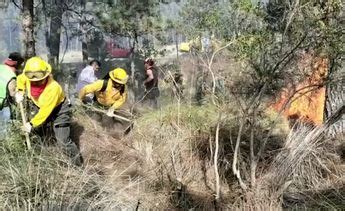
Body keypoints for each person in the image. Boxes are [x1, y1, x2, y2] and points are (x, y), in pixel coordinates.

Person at [15, 57, 82, 165]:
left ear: (46, 75)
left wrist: (31, 124)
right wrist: (20, 91)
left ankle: (77, 166)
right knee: (38, 133)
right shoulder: (28, 75)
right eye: (33, 81)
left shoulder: (53, 88)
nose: (36, 83)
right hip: (40, 106)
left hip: (59, 109)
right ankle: (39, 160)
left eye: (39, 80)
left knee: (63, 141)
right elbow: (20, 79)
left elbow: (45, 111)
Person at [0, 52, 24, 136]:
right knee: (4, 131)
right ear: (17, 64)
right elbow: (12, 93)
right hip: (2, 105)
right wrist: (18, 96)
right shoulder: (11, 75)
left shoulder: (1, 67)